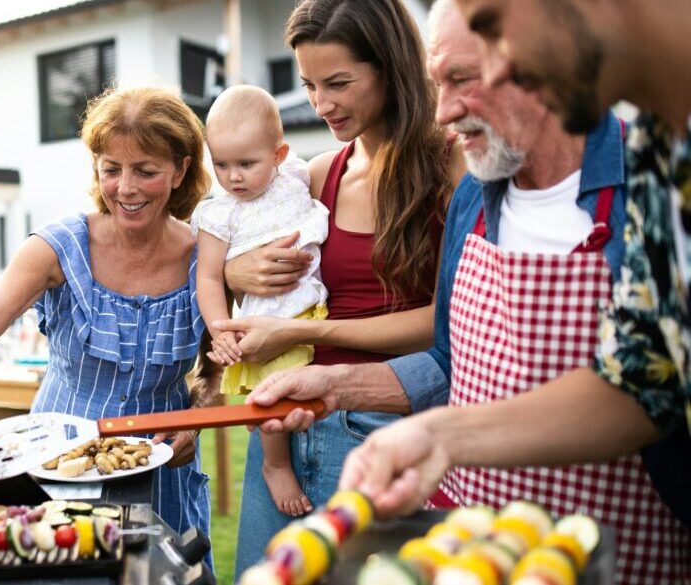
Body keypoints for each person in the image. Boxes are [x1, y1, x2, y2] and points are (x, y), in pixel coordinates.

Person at [250, 0, 691, 579]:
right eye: (438, 83)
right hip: (475, 549)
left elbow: (644, 395)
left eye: (464, 78)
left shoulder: (646, 176)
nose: (442, 113)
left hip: (622, 552)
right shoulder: (473, 202)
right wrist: (337, 385)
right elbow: (635, 378)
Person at [0, 87, 221, 557]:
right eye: (111, 169)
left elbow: (215, 369)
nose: (126, 188)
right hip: (58, 470)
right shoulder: (59, 247)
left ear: (181, 170)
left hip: (164, 477)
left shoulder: (205, 258)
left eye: (146, 170)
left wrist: (196, 420)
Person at [226, 0, 460, 576]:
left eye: (338, 83)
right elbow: (225, 237)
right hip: (280, 426)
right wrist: (235, 272)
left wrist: (304, 330)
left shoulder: (449, 166)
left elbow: (451, 322)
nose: (319, 104)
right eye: (307, 85)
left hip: (378, 429)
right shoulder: (314, 175)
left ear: (390, 67)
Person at [191, 85, 329, 516]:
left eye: (246, 164)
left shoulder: (298, 178)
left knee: (308, 402)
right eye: (221, 164)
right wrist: (220, 330)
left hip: (314, 308)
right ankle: (275, 464)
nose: (233, 177)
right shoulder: (219, 213)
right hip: (265, 318)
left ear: (279, 154)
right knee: (271, 397)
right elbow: (209, 278)